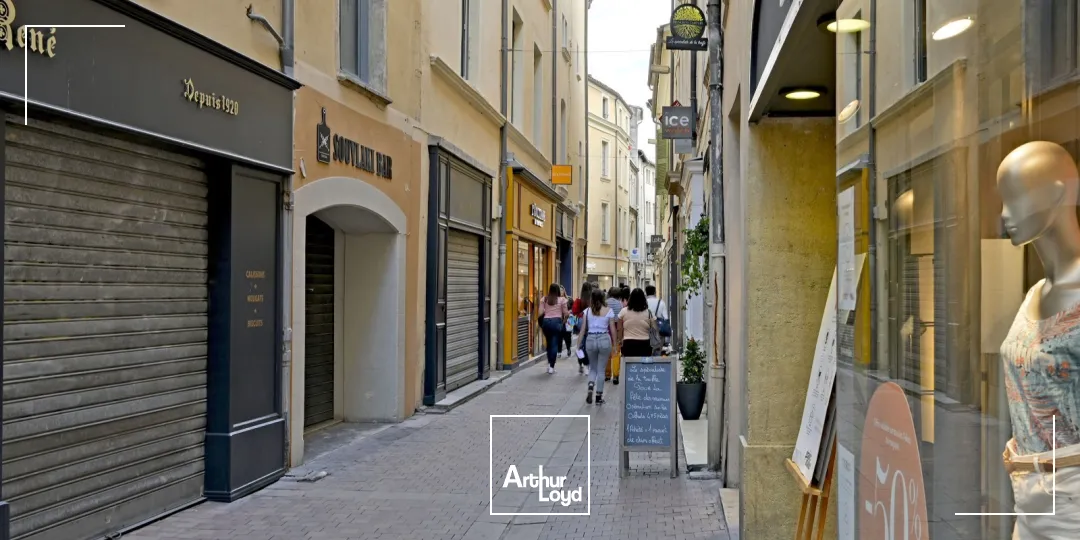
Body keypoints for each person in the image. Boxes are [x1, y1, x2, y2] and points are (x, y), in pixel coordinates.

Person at [577, 288, 616, 404]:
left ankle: (590, 387)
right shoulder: (609, 311)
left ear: (591, 298)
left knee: (592, 368)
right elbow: (612, 329)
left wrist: (578, 345)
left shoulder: (587, 311)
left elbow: (582, 330)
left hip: (591, 340)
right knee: (601, 370)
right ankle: (598, 397)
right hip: (604, 339)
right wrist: (615, 344)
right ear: (603, 298)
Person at [536, 283, 568, 374]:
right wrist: (563, 322)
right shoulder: (562, 300)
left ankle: (549, 363)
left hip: (546, 322)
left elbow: (540, 313)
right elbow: (566, 314)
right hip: (556, 322)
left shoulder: (544, 299)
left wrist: (542, 322)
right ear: (558, 291)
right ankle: (551, 366)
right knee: (554, 344)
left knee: (549, 343)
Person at [620, 288, 657, 356]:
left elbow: (619, 328)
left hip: (628, 343)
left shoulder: (623, 311)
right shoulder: (649, 312)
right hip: (644, 343)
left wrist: (619, 341)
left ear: (630, 298)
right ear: (643, 299)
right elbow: (655, 328)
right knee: (643, 362)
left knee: (629, 362)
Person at [570, 282, 592, 373]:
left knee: (581, 342)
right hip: (590, 322)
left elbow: (574, 312)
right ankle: (587, 364)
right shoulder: (591, 300)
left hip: (580, 322)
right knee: (587, 344)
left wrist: (573, 324)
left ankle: (581, 364)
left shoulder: (579, 300)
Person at [604, 287, 624, 384]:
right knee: (616, 352)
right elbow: (620, 318)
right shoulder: (619, 304)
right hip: (616, 327)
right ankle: (616, 375)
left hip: (606, 328)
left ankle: (607, 374)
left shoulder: (605, 303)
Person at [558, 286, 575, 359]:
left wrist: (570, 311)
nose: (560, 292)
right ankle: (559, 352)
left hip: (568, 320)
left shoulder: (569, 299)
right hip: (560, 320)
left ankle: (568, 349)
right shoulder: (556, 300)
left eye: (562, 290)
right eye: (559, 290)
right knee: (559, 337)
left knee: (567, 336)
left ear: (564, 291)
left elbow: (574, 309)